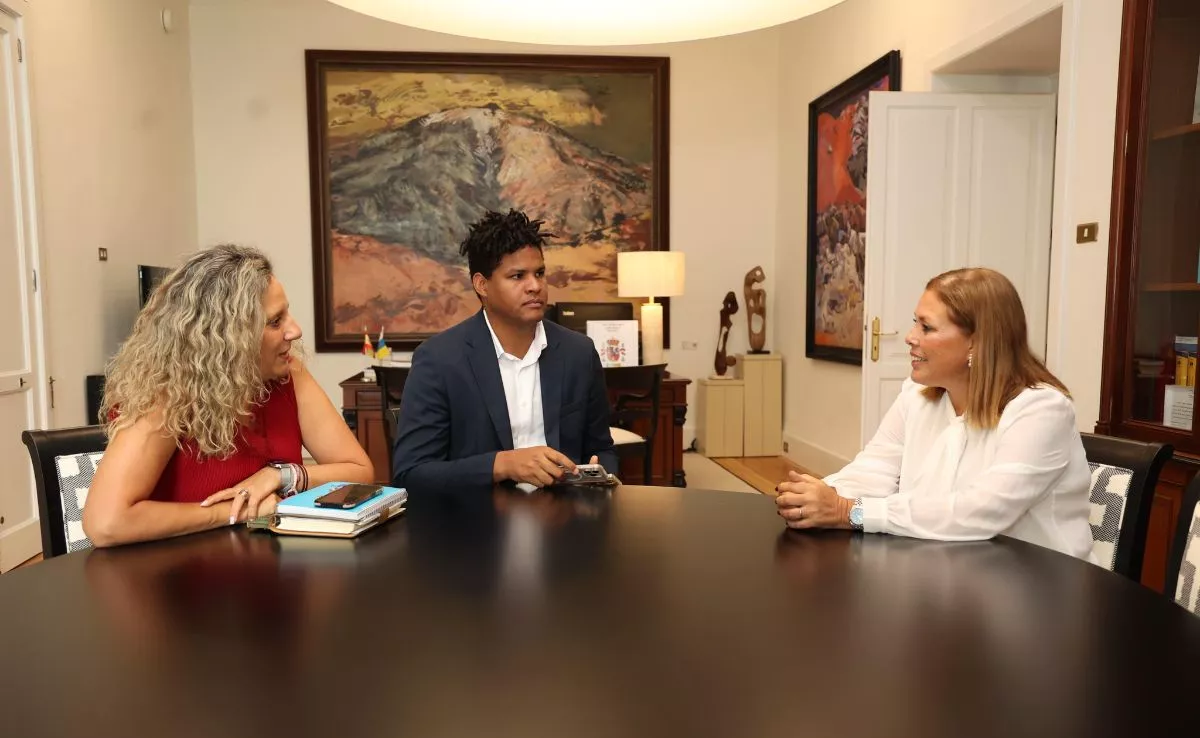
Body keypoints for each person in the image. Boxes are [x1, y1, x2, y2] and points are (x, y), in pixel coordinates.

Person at [775, 267, 1095, 560]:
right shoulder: (916, 396)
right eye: (915, 322)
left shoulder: (1042, 411)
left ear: (977, 343)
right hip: (949, 571)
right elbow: (874, 469)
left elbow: (983, 511)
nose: (910, 337)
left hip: (1039, 586)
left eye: (926, 327)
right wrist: (816, 496)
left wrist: (848, 511)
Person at [83, 245, 374, 547]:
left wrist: (281, 476)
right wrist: (233, 512)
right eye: (275, 321)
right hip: (181, 570)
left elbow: (360, 471)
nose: (295, 330)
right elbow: (106, 524)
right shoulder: (167, 393)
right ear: (228, 336)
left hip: (267, 563)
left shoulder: (288, 374)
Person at [392, 209, 617, 493]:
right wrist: (502, 465)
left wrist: (598, 475)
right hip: (478, 515)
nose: (535, 286)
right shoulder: (439, 360)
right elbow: (411, 474)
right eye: (517, 276)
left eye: (540, 273)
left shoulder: (579, 353)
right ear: (482, 285)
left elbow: (602, 449)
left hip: (564, 512)